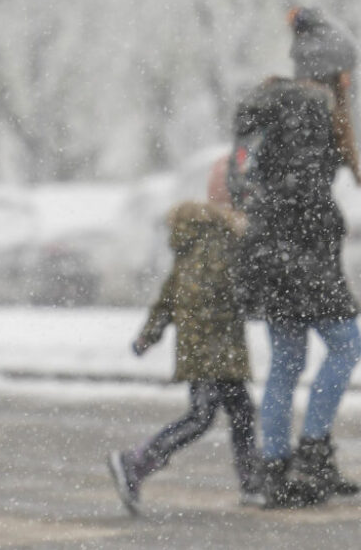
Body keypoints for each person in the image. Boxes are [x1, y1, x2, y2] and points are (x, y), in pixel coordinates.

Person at [232, 5, 361, 509]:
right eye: (348, 69)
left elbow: (250, 178)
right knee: (347, 347)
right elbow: (304, 189)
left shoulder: (273, 103)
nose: (352, 79)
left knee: (287, 360)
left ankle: (274, 467)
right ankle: (312, 454)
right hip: (301, 253)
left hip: (269, 251)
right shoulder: (312, 108)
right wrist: (323, 226)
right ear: (333, 68)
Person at [106, 200, 263, 514]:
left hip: (204, 349)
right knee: (203, 417)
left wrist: (147, 336)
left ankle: (252, 483)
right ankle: (135, 463)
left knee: (238, 412)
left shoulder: (190, 249)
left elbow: (167, 300)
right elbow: (238, 291)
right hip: (217, 350)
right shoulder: (219, 245)